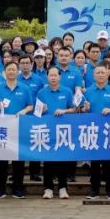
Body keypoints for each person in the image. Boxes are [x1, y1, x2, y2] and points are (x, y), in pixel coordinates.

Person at [0, 59, 33, 199]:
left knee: (18, 159)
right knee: (1, 160)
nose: (11, 72)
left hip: (19, 127)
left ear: (18, 71)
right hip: (2, 128)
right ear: (4, 72)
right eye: (8, 69)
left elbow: (30, 105)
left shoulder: (24, 88)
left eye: (13, 69)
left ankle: (18, 189)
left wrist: (24, 111)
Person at [82, 63, 110, 200]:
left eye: (103, 72)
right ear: (93, 75)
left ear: (107, 74)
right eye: (98, 73)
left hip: (109, 131)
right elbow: (82, 110)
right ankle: (94, 190)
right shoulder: (88, 91)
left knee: (108, 164)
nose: (100, 75)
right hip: (93, 131)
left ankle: (109, 191)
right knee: (94, 163)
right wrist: (85, 109)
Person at [36, 65, 77, 199]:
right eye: (51, 75)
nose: (53, 78)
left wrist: (64, 111)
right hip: (47, 130)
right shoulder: (41, 92)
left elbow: (74, 109)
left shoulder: (67, 91)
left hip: (63, 131)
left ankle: (62, 188)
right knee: (48, 161)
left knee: (62, 161)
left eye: (55, 75)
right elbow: (36, 113)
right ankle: (48, 188)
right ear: (47, 77)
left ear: (60, 77)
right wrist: (41, 110)